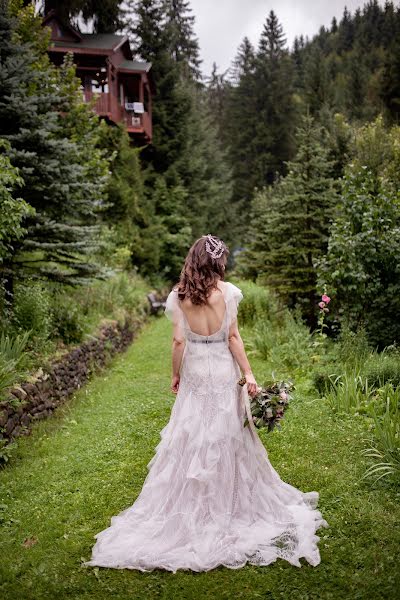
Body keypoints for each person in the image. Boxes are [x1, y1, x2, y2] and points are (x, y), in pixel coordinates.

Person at [83, 234, 328, 573]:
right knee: (227, 431)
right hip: (223, 372)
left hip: (197, 371)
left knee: (192, 430)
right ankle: (231, 501)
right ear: (217, 262)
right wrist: (249, 372)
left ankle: (194, 498)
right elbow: (233, 337)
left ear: (192, 260)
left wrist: (174, 375)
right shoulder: (228, 293)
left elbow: (178, 341)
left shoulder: (179, 297)